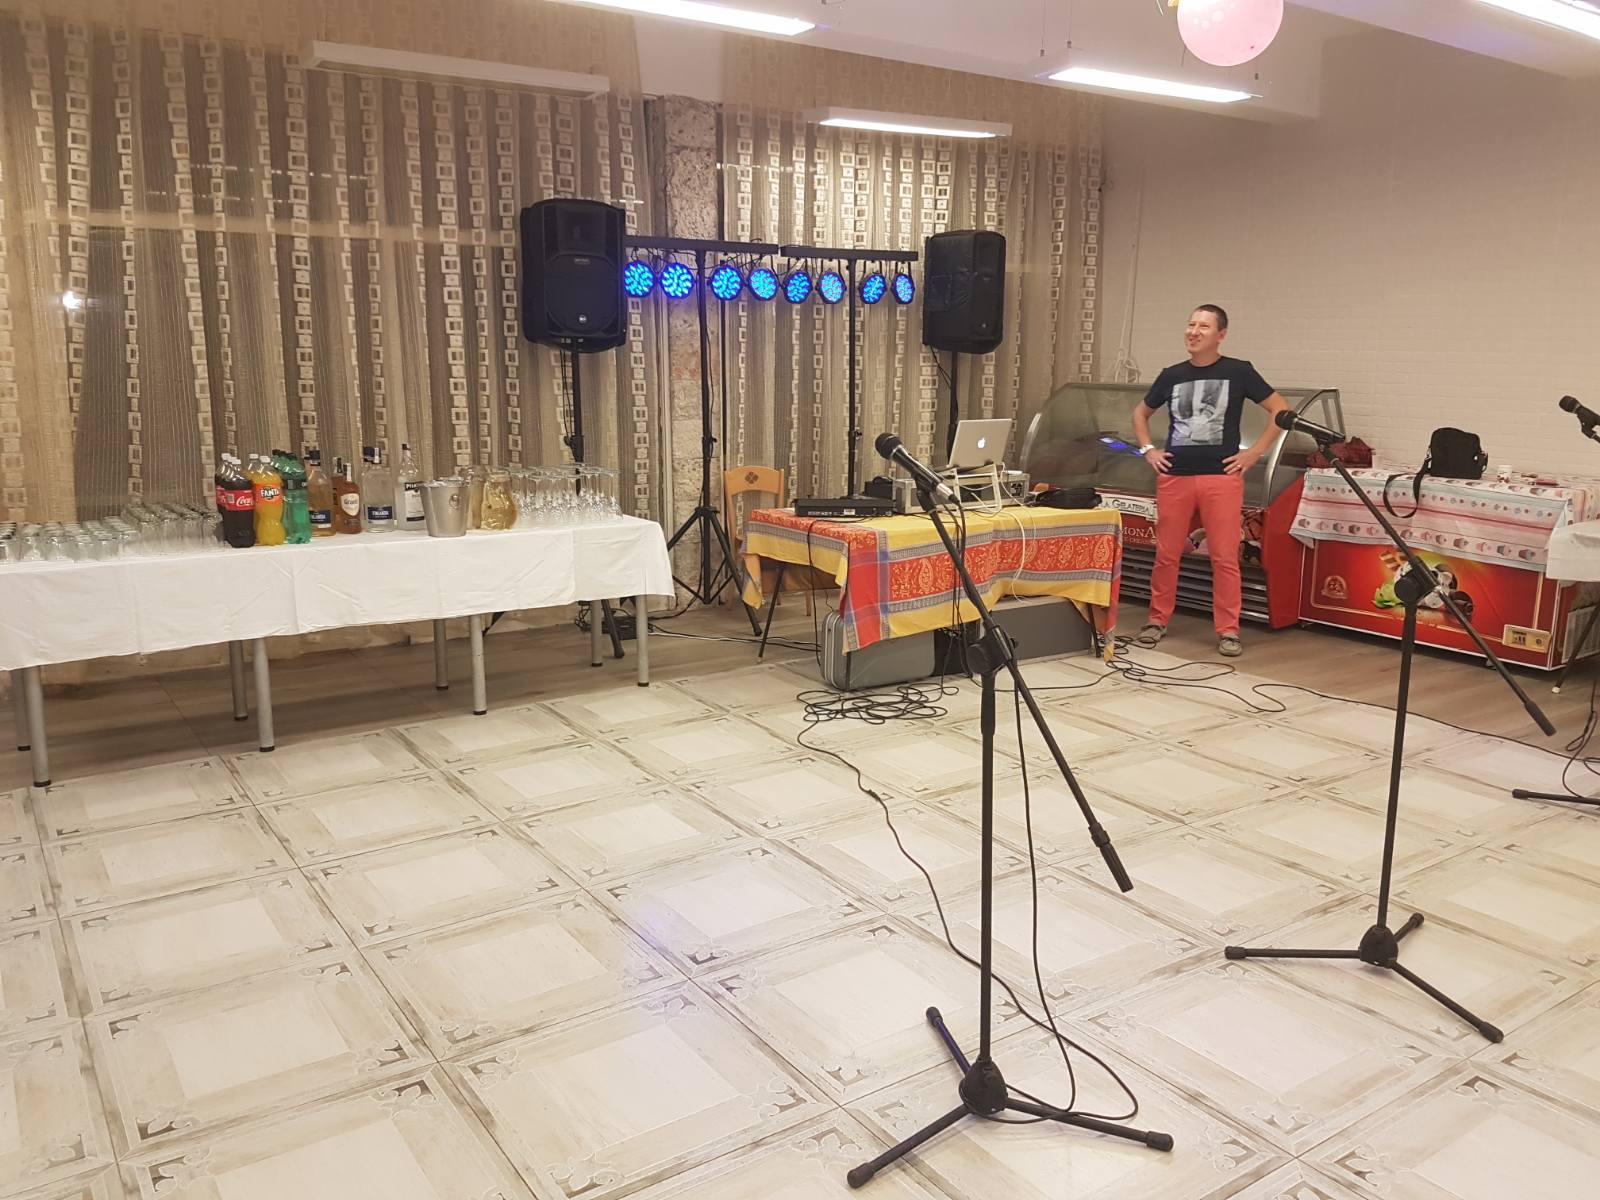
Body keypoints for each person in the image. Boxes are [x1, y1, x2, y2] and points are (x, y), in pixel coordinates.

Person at [1131, 305, 1290, 657]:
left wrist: (1255, 453)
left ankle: (1228, 629)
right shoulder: (1172, 375)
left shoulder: (1238, 371)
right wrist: (1148, 449)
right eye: (1191, 324)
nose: (1194, 331)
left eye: (1203, 326)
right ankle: (1157, 619)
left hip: (1221, 477)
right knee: (1166, 554)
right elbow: (1140, 413)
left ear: (1221, 335)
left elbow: (1281, 410)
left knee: (1224, 557)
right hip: (1175, 477)